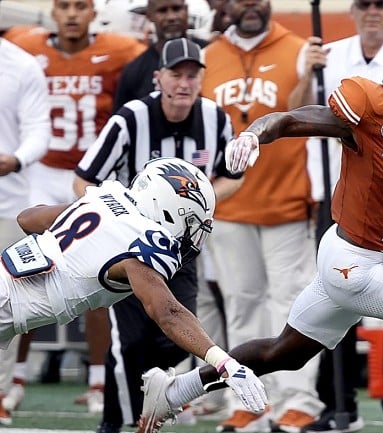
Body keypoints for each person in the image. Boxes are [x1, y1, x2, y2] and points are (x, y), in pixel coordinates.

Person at [135, 19, 383, 433]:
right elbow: (291, 120)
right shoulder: (370, 105)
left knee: (281, 353)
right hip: (355, 263)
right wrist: (254, 134)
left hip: (376, 259)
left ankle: (176, 390)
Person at [0, 157, 267, 420]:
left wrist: (78, 217)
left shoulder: (106, 196)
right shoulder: (145, 241)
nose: (190, 234)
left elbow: (28, 218)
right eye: (190, 222)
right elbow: (169, 314)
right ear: (167, 208)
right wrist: (225, 363)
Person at [74, 38, 243, 433]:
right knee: (129, 342)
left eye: (191, 75)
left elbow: (234, 178)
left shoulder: (216, 119)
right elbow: (83, 180)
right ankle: (116, 422)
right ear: (158, 77)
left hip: (180, 248)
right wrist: (118, 221)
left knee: (176, 336)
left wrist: (197, 208)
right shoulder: (130, 119)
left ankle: (149, 410)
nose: (183, 83)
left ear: (202, 79)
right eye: (175, 74)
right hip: (129, 248)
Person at [4, 0, 145, 415]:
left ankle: (99, 381)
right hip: (42, 175)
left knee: (96, 277)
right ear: (52, 11)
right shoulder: (23, 45)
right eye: (63, 5)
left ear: (92, 14)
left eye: (80, 6)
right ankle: (15, 377)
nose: (70, 14)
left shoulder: (121, 50)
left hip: (92, 175)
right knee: (25, 271)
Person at [293, 2, 383, 433]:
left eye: (380, 3)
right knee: (335, 300)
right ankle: (337, 406)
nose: (372, 11)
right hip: (337, 199)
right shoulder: (327, 55)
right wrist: (303, 74)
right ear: (353, 9)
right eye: (364, 3)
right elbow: (296, 115)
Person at [199, 1, 327, 431]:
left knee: (292, 306)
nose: (250, 5)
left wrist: (309, 73)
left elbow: (305, 115)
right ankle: (249, 401)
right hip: (229, 201)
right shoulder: (207, 54)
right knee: (241, 304)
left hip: (286, 199)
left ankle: (299, 400)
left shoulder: (297, 48)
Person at [0, 25, 51, 426]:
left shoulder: (20, 64)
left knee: (4, 304)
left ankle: (0, 393)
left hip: (7, 202)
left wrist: (16, 159)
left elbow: (38, 130)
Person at [113, 0, 211, 110]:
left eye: (176, 9)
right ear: (149, 15)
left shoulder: (212, 53)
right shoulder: (134, 71)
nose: (171, 17)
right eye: (162, 11)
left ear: (186, 10)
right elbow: (122, 118)